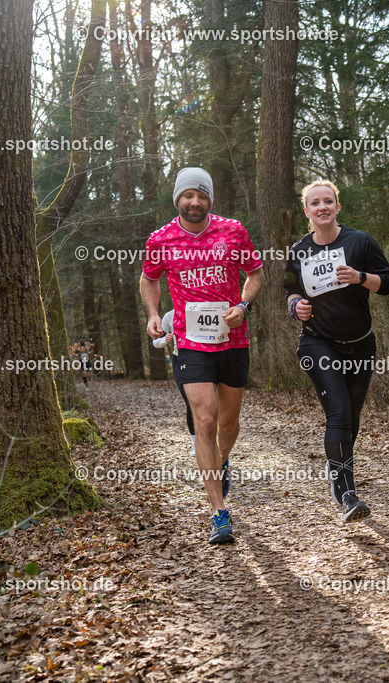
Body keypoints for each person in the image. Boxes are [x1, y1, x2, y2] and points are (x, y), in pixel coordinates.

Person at [140, 167, 263, 545]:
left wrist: (243, 305)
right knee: (205, 420)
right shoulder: (160, 239)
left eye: (202, 196)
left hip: (233, 340)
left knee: (228, 423)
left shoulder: (233, 231)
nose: (195, 202)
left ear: (210, 199)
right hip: (190, 342)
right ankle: (219, 513)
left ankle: (221, 460)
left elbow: (255, 273)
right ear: (177, 199)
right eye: (188, 195)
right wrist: (153, 314)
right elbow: (149, 278)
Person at [283, 179, 389, 522]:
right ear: (307, 211)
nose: (322, 207)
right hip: (317, 342)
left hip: (360, 343)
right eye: (315, 203)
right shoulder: (299, 251)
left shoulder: (359, 242)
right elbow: (290, 291)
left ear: (337, 206)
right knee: (339, 414)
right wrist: (296, 307)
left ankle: (336, 470)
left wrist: (360, 277)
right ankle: (347, 494)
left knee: (352, 419)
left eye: (328, 201)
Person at [162, 309, 195, 456]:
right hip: (179, 358)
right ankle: (196, 443)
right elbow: (156, 341)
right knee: (190, 402)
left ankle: (213, 441)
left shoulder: (200, 307)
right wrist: (165, 339)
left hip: (201, 356)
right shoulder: (169, 316)